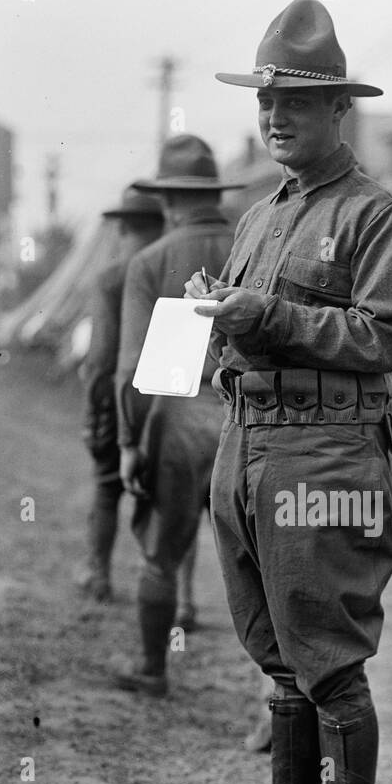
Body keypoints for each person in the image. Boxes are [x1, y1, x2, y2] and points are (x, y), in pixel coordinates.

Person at [184, 0, 392, 784]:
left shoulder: (378, 216)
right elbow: (247, 322)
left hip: (325, 456)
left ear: (339, 112)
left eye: (297, 101)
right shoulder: (257, 218)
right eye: (267, 102)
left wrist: (266, 318)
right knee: (275, 656)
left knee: (329, 663)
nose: (277, 117)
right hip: (246, 446)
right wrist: (216, 315)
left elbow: (380, 338)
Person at [110, 135, 243, 696]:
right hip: (247, 418)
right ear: (214, 192)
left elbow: (135, 367)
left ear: (166, 200)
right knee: (259, 563)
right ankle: (275, 700)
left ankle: (152, 667)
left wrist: (128, 441)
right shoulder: (254, 243)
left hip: (177, 418)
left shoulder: (150, 260)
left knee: (161, 551)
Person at [76, 186, 164, 602]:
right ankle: (177, 596)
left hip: (117, 395)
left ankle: (99, 575)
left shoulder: (111, 276)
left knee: (107, 486)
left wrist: (94, 409)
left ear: (124, 226)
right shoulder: (172, 269)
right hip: (168, 399)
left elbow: (100, 356)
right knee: (167, 496)